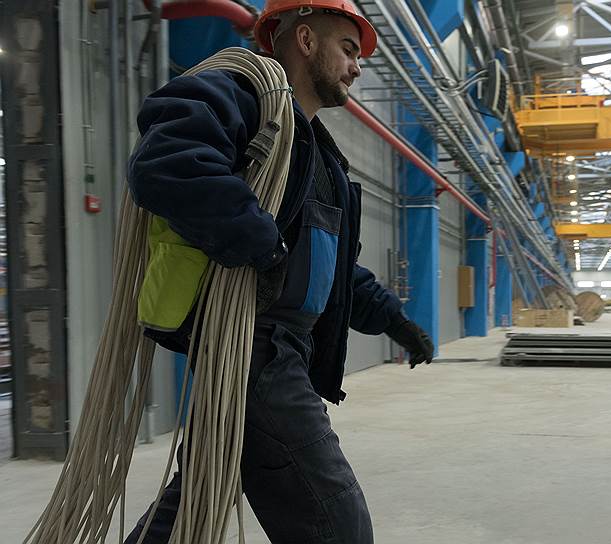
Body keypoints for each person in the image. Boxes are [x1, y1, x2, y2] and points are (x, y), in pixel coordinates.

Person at [124, 2, 434, 542]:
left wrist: (394, 321)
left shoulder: (318, 155)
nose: (357, 67)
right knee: (338, 526)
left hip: (283, 348)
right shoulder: (241, 96)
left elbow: (332, 268)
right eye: (348, 50)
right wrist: (262, 247)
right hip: (255, 348)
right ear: (306, 40)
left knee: (191, 503)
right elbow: (167, 162)